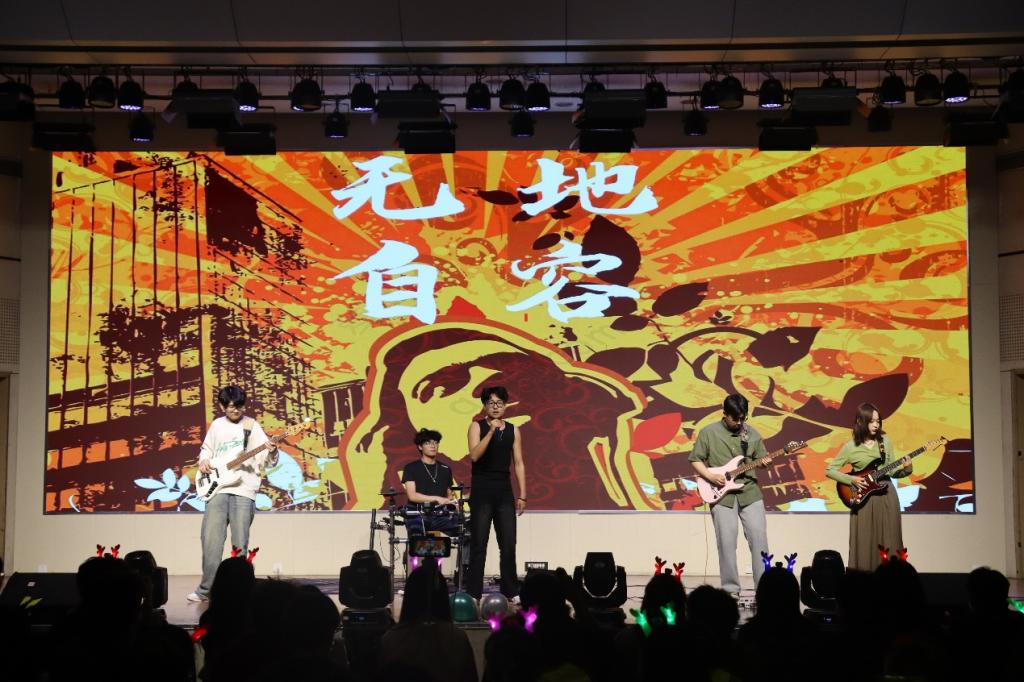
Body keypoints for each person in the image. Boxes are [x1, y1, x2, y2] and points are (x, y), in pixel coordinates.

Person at [187, 385, 280, 602]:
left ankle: (239, 592)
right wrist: (204, 461)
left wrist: (272, 450)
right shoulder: (217, 425)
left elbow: (266, 459)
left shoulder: (252, 426)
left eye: (239, 406)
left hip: (243, 490)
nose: (235, 410)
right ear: (222, 406)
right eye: (230, 407)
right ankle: (205, 590)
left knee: (240, 544)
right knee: (211, 541)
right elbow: (206, 450)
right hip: (217, 489)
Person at [688, 393, 771, 597]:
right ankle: (730, 591)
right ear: (725, 414)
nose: (740, 422)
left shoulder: (752, 434)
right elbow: (696, 459)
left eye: (743, 418)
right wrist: (710, 476)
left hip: (750, 493)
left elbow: (760, 459)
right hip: (722, 496)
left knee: (759, 541)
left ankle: (764, 590)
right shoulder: (708, 432)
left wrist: (764, 463)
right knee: (726, 544)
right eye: (736, 418)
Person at [825, 402, 909, 571]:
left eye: (878, 421)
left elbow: (892, 471)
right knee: (864, 540)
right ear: (861, 421)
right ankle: (863, 581)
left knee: (890, 538)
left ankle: (891, 579)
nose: (876, 425)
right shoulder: (851, 447)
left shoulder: (885, 442)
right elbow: (830, 470)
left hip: (887, 496)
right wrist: (852, 480)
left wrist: (907, 469)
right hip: (862, 498)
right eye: (871, 421)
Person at [465, 385, 526, 601]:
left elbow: (518, 463)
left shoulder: (513, 430)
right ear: (484, 406)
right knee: (479, 544)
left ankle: (511, 590)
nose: (496, 407)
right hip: (482, 490)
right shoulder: (476, 426)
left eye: (500, 403)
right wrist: (491, 431)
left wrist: (522, 494)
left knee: (508, 544)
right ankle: (474, 592)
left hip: (504, 491)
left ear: (505, 405)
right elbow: (475, 455)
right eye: (491, 403)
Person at [401, 428, 459, 537]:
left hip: (440, 515)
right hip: (417, 514)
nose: (433, 446)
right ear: (420, 447)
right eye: (428, 443)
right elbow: (412, 496)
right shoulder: (411, 467)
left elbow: (449, 494)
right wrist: (437, 499)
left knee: (465, 532)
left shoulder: (445, 469)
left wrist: (453, 503)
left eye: (435, 442)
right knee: (417, 540)